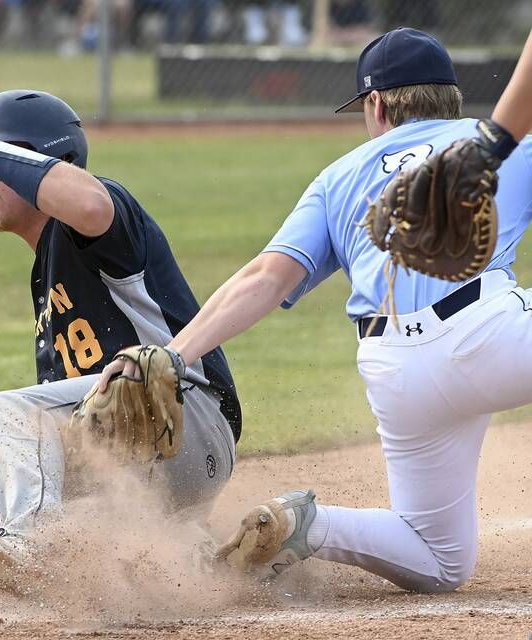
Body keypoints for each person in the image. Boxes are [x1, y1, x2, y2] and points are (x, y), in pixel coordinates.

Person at [100, 26, 532, 593]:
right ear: (449, 97)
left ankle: (307, 525)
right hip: (493, 336)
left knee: (439, 560)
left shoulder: (339, 178)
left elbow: (265, 278)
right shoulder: (498, 145)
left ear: (376, 104)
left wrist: (176, 355)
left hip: (396, 372)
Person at [0, 89, 241, 589]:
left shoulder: (103, 218)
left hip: (183, 418)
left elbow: (87, 202)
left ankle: (34, 543)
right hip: (149, 476)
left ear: (49, 159)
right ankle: (188, 552)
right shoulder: (46, 276)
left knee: (12, 412)